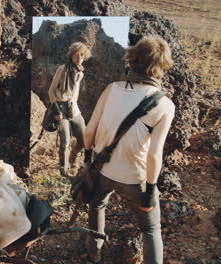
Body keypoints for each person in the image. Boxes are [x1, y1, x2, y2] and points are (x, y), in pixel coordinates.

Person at [83, 35, 175, 264]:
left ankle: (94, 254)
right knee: (151, 229)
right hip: (135, 179)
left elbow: (88, 132)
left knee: (97, 205)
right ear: (161, 66)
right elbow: (154, 155)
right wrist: (150, 191)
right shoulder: (164, 104)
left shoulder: (111, 89)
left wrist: (88, 159)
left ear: (132, 59)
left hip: (103, 170)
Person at [48, 42, 91, 177]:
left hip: (74, 109)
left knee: (84, 140)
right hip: (60, 108)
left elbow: (74, 95)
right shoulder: (62, 69)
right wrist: (56, 111)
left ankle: (73, 158)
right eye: (77, 54)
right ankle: (64, 171)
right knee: (65, 141)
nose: (79, 57)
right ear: (71, 56)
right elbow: (51, 91)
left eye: (82, 55)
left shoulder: (80, 72)